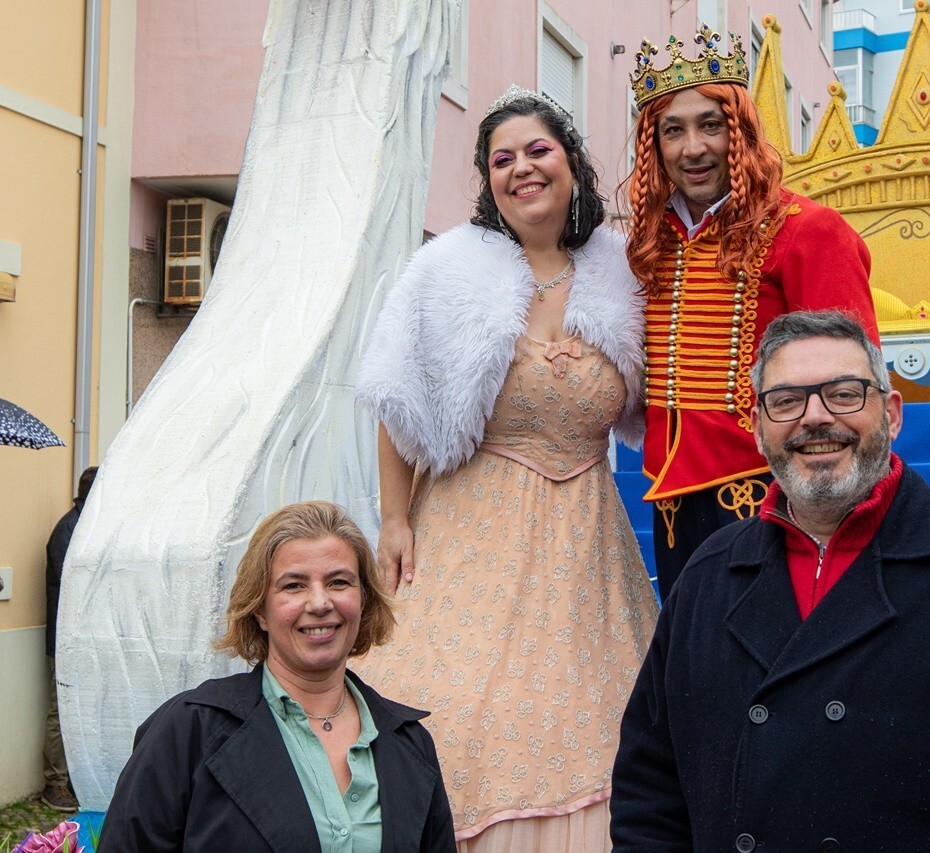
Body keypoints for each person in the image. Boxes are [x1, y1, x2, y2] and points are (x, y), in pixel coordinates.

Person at [610, 310, 930, 851]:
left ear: (893, 414)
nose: (815, 417)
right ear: (758, 427)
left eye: (844, 393)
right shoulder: (707, 579)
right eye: (786, 401)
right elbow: (651, 794)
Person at [355, 85, 659, 850]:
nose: (521, 168)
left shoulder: (625, 273)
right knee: (456, 708)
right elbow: (398, 396)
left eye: (538, 150)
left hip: (587, 544)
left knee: (595, 712)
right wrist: (393, 519)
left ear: (571, 162)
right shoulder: (446, 271)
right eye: (502, 158)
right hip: (465, 530)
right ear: (489, 180)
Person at [626, 23, 881, 599]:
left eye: (710, 125)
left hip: (775, 490)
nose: (693, 148)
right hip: (671, 502)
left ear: (738, 130)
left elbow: (854, 381)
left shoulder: (810, 231)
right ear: (655, 145)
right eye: (673, 131)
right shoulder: (650, 244)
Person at [99, 501, 455, 852]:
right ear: (260, 611)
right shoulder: (190, 730)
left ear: (364, 600)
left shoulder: (410, 745)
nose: (319, 603)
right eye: (293, 586)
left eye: (339, 582)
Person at [41, 465, 96, 812]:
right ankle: (54, 783)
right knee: (60, 711)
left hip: (82, 639)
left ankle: (74, 778)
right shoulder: (67, 532)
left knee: (80, 711)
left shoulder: (86, 528)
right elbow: (77, 588)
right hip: (63, 641)